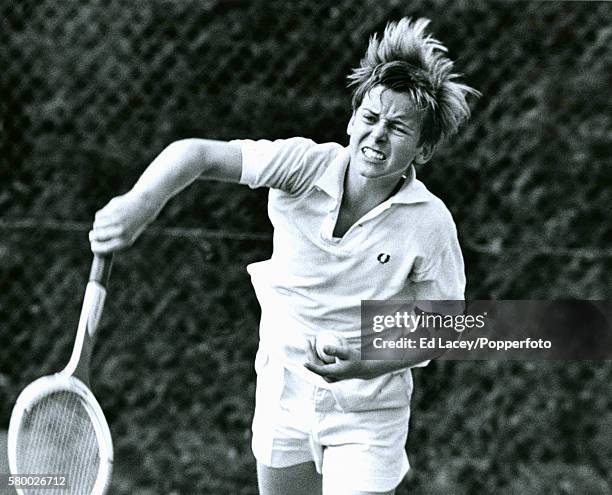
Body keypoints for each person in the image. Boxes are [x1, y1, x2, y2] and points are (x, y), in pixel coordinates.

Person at [90, 17, 479, 495]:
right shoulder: (302, 165)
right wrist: (140, 202)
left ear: (424, 148)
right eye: (371, 117)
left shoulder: (430, 222)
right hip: (283, 393)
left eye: (398, 128)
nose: (378, 135)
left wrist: (366, 359)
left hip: (367, 412)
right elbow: (198, 155)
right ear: (352, 119)